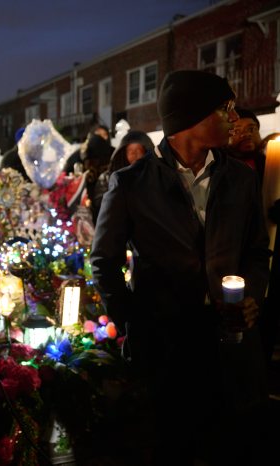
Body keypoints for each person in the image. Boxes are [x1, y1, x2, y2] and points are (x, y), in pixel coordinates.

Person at [91, 70, 271, 465]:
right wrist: (134, 321)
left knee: (232, 443)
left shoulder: (239, 178)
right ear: (192, 117)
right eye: (225, 108)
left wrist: (253, 296)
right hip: (167, 349)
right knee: (173, 444)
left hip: (231, 346)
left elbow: (257, 251)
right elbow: (104, 262)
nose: (234, 118)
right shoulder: (130, 184)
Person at [91, 130, 155, 224]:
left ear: (145, 152)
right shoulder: (107, 177)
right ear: (124, 153)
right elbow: (101, 205)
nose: (134, 154)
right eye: (131, 151)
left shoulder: (154, 176)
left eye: (138, 150)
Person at [227, 107, 265, 182]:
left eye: (251, 129)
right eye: (237, 131)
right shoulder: (220, 169)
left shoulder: (269, 164)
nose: (246, 134)